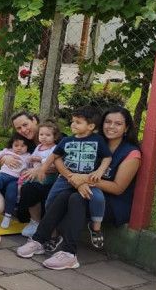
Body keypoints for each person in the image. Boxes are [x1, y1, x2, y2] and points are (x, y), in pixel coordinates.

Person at [17, 106, 140, 269]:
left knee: (75, 198)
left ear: (127, 128)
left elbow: (117, 188)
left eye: (118, 123)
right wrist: (73, 178)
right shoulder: (92, 140)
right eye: (108, 122)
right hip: (81, 188)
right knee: (63, 195)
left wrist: (84, 180)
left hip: (109, 202)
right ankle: (39, 240)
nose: (111, 126)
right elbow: (59, 158)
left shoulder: (131, 154)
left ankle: (69, 253)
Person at [42, 107, 112, 249]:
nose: (73, 124)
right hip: (64, 178)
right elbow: (55, 155)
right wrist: (42, 169)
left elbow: (107, 157)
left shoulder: (97, 140)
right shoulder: (67, 140)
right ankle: (55, 232)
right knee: (50, 201)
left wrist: (99, 171)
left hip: (89, 179)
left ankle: (96, 228)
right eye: (73, 121)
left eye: (78, 122)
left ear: (91, 126)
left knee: (98, 199)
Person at [0, 134, 33, 228]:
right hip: (3, 175)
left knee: (11, 196)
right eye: (16, 145)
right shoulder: (7, 152)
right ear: (12, 145)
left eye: (23, 146)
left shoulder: (28, 157)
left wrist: (27, 172)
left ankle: (8, 216)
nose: (19, 148)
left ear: (27, 146)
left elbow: (32, 167)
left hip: (15, 180)